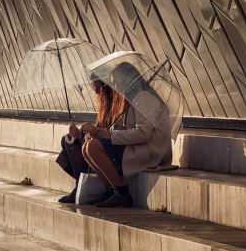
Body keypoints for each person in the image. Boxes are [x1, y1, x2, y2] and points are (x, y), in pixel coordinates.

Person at [55, 76, 173, 208]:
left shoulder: (143, 97)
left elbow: (143, 134)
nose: (114, 85)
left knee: (92, 147)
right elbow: (125, 129)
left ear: (127, 79)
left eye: (116, 80)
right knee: (87, 147)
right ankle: (110, 190)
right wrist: (98, 133)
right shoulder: (131, 99)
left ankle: (122, 194)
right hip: (134, 147)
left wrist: (108, 135)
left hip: (148, 153)